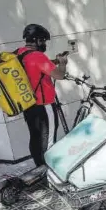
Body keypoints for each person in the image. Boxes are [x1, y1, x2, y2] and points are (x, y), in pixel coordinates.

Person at [17, 24, 68, 167]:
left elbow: (36, 67)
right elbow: (59, 75)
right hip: (44, 105)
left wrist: (55, 61)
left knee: (35, 138)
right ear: (37, 40)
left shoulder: (20, 53)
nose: (44, 43)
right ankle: (49, 172)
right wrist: (63, 64)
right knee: (48, 139)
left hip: (28, 105)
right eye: (43, 40)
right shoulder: (39, 57)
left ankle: (39, 167)